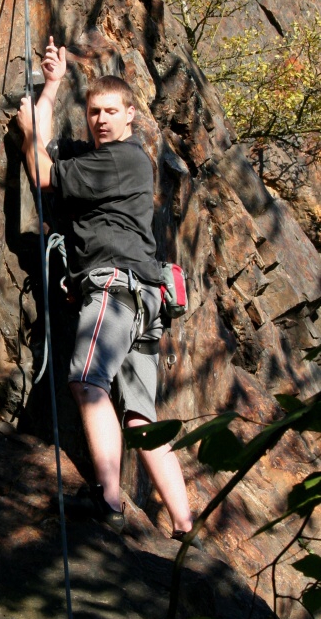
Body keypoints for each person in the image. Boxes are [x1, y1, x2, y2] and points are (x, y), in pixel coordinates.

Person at [17, 37, 199, 545]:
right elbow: (49, 138)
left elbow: (43, 171)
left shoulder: (122, 159)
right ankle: (186, 526)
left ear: (131, 116)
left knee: (87, 380)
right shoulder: (102, 159)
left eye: (111, 111)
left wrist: (36, 120)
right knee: (143, 417)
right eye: (94, 111)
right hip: (145, 302)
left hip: (115, 288)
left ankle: (108, 500)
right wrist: (50, 87)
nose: (100, 119)